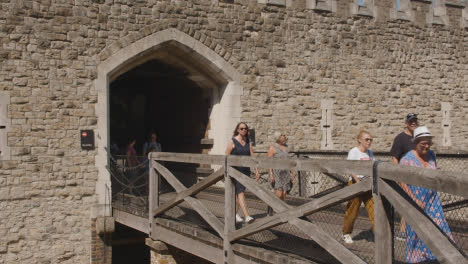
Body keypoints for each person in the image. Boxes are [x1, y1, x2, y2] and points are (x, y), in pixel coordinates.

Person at [399, 126, 454, 263]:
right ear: (415, 142)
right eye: (423, 143)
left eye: (428, 142)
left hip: (433, 201)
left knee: (439, 229)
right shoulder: (407, 159)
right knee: (418, 234)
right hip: (415, 202)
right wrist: (414, 200)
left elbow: (434, 171)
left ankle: (439, 258)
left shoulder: (431, 155)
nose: (427, 146)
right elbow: (401, 181)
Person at [342, 130, 375, 244]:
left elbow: (373, 167)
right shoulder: (354, 152)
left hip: (368, 183)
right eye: (367, 139)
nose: (369, 141)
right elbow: (351, 168)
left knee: (374, 210)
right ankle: (346, 233)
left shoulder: (370, 153)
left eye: (370, 139)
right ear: (360, 140)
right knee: (352, 210)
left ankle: (379, 234)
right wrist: (358, 181)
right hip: (356, 183)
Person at [390, 113, 419, 240]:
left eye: (415, 121)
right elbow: (395, 158)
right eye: (411, 121)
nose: (413, 123)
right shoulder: (400, 138)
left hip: (419, 177)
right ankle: (403, 231)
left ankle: (416, 231)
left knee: (419, 203)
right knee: (408, 203)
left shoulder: (418, 137)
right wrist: (398, 176)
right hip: (405, 177)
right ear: (406, 123)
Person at [226, 122, 260, 223]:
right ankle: (247, 216)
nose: (244, 130)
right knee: (240, 192)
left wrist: (257, 170)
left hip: (245, 171)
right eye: (241, 128)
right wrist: (223, 173)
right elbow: (226, 157)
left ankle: (235, 214)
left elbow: (252, 156)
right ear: (237, 130)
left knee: (240, 194)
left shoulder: (248, 141)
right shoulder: (232, 141)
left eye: (245, 128)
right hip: (235, 171)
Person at [267, 132, 294, 216]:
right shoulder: (272, 148)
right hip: (277, 172)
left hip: (285, 172)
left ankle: (282, 211)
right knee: (279, 193)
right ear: (278, 137)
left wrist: (291, 172)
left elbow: (289, 161)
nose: (285, 136)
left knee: (285, 193)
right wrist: (271, 174)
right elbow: (269, 162)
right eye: (283, 135)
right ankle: (272, 207)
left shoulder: (286, 147)